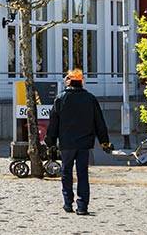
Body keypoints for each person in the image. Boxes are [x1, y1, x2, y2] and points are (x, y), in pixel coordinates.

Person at [46, 68, 112, 216]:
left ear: (68, 81)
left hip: (67, 144)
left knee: (66, 172)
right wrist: (104, 142)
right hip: (84, 144)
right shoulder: (90, 98)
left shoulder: (60, 98)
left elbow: (53, 123)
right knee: (83, 174)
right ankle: (82, 206)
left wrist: (50, 141)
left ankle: (68, 203)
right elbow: (99, 123)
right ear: (81, 82)